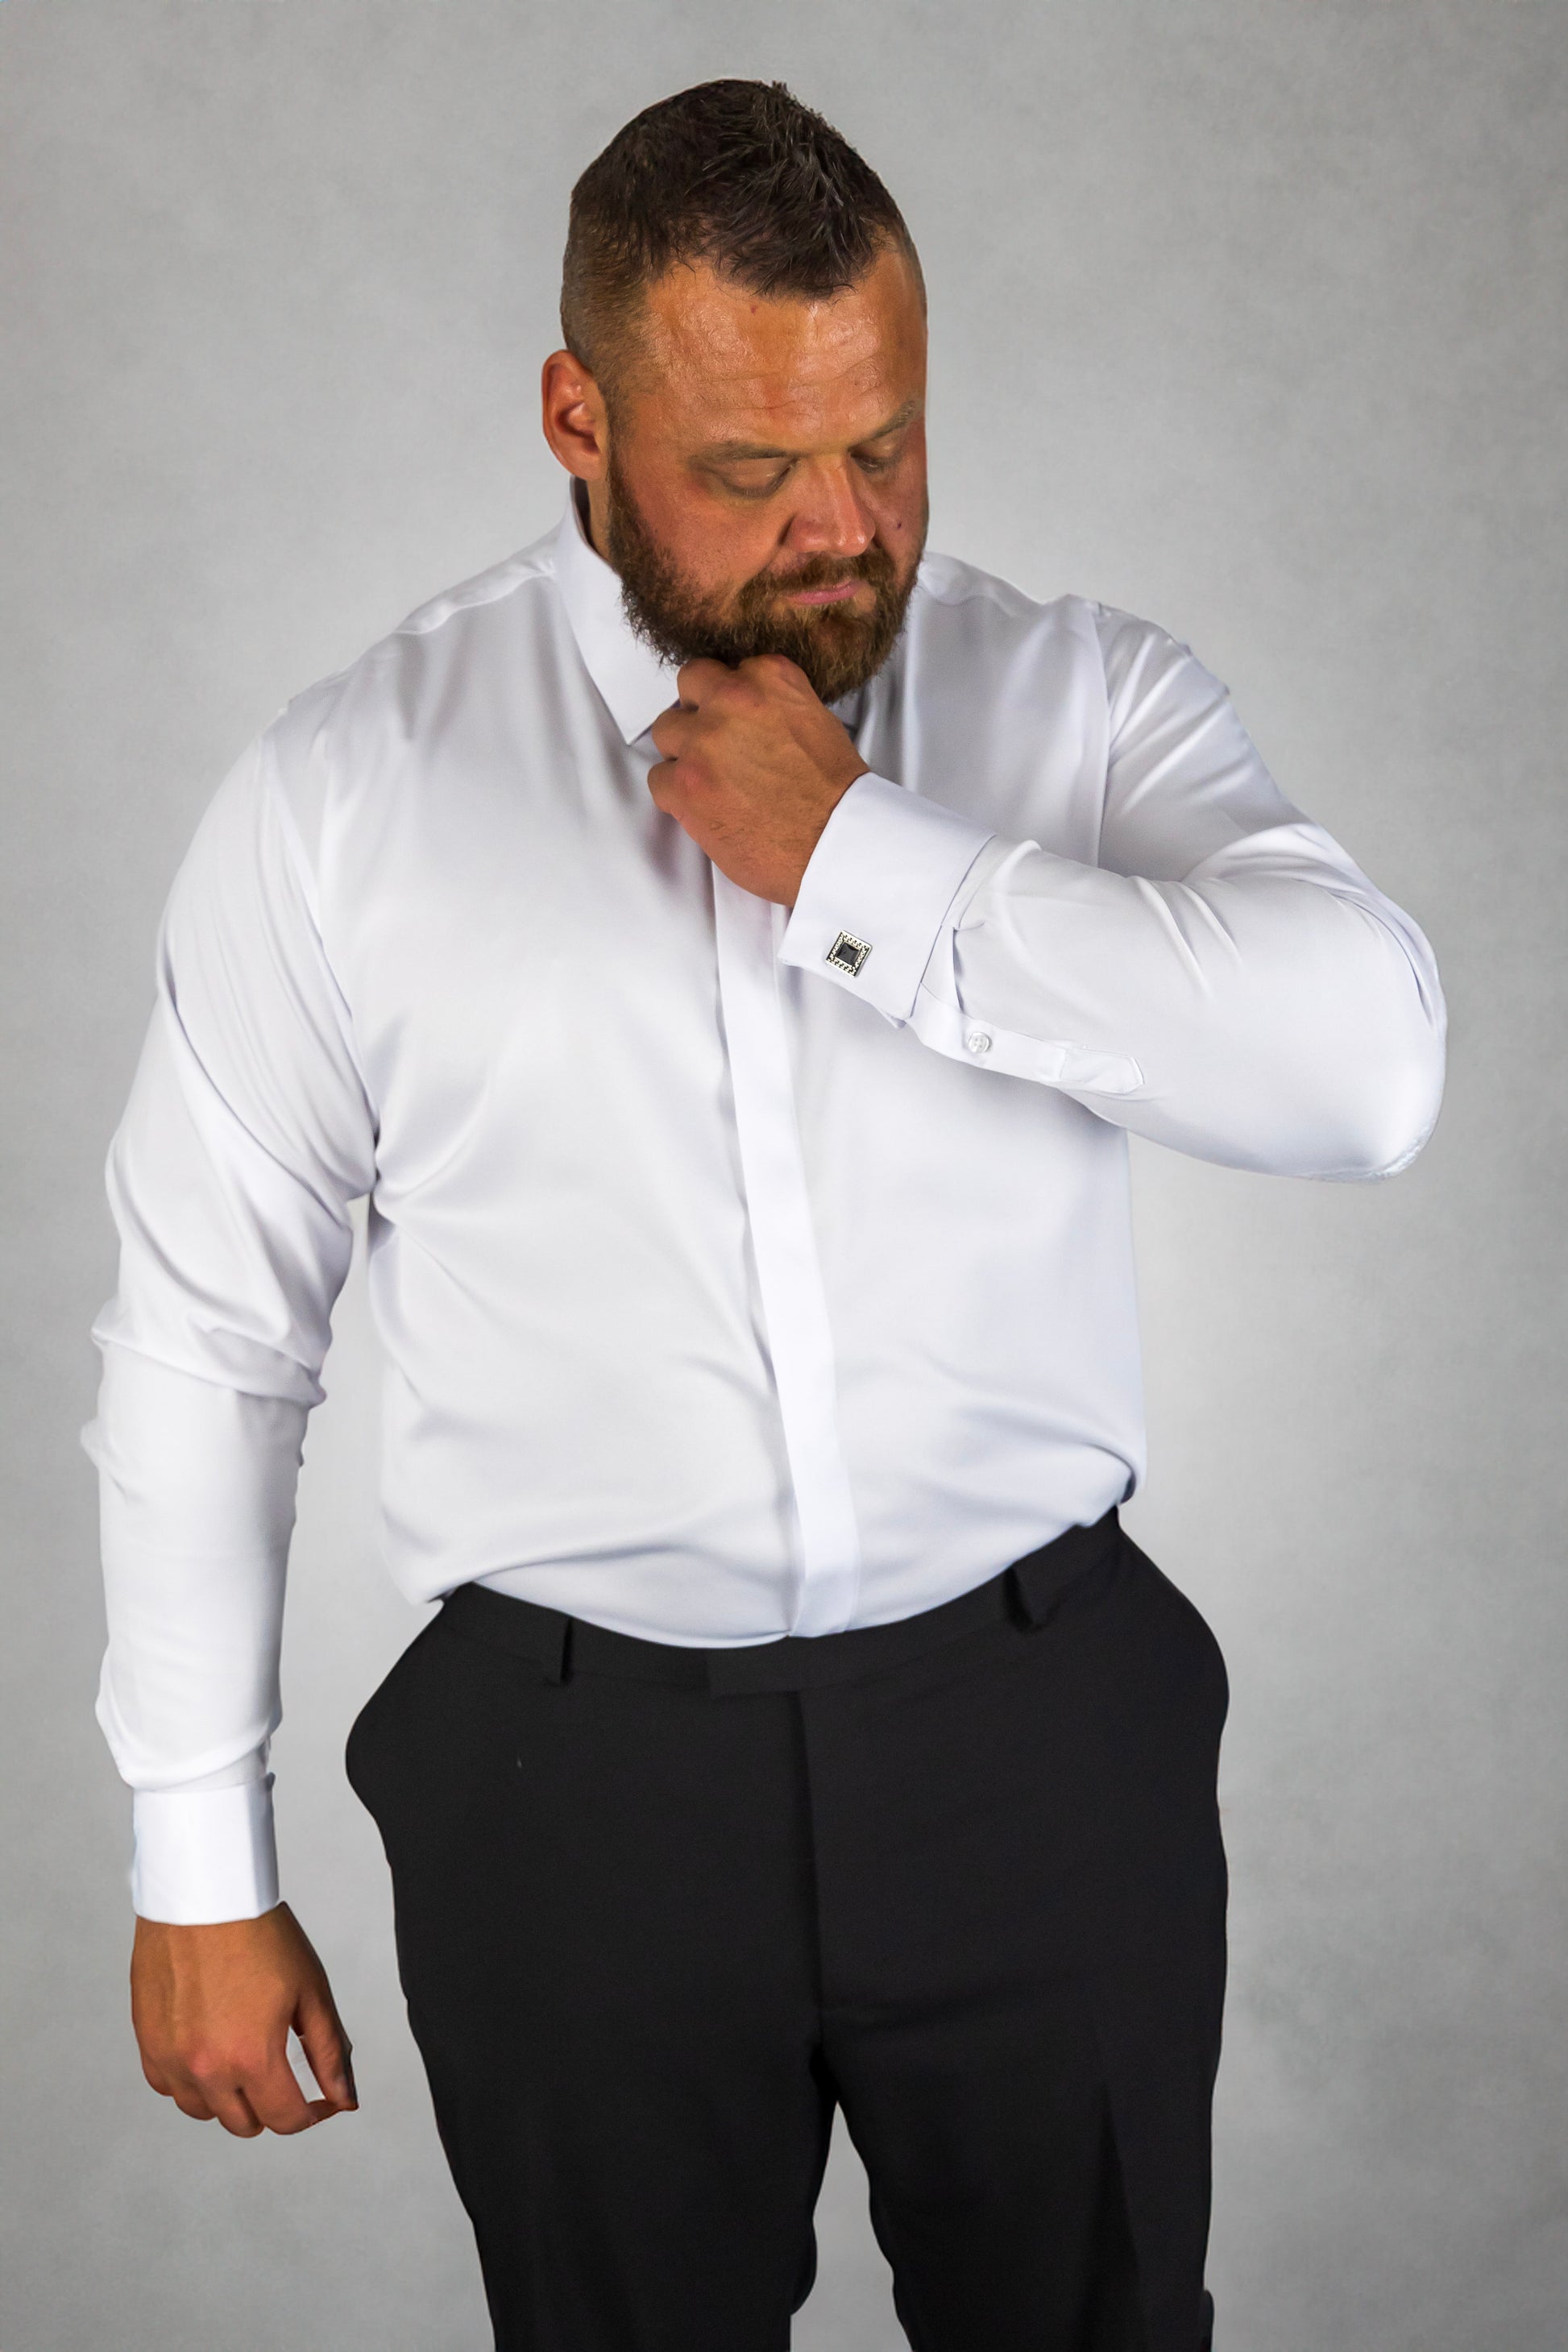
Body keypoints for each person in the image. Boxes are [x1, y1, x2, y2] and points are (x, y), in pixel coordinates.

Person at [85, 77, 1446, 2352]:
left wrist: (867, 864)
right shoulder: (342, 794)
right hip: (570, 1785)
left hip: (1042, 1740)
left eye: (885, 447)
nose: (841, 530)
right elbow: (210, 1335)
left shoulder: (1081, 699)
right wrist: (196, 1864)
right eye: (751, 470)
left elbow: (1366, 1070)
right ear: (579, 422)